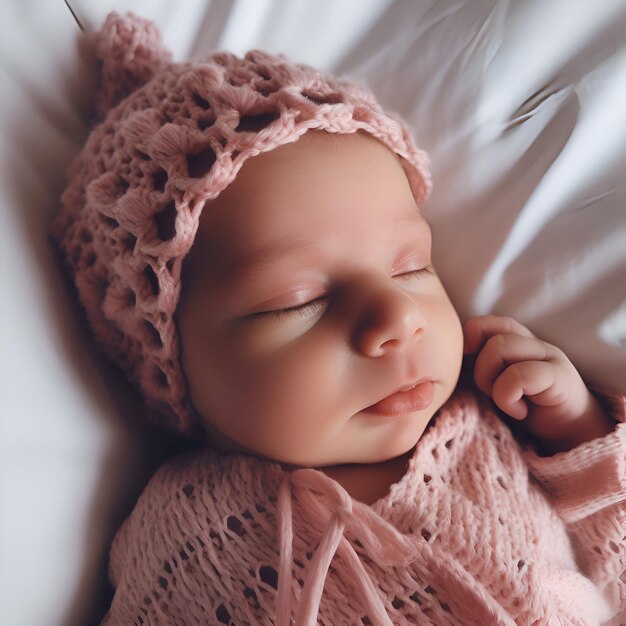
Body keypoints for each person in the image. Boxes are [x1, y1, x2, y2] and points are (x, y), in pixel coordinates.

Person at [50, 12, 625, 626]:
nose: (398, 317)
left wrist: (577, 436)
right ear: (168, 362)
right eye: (298, 301)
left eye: (412, 268)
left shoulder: (491, 423)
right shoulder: (186, 547)